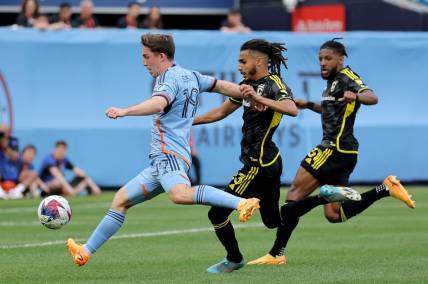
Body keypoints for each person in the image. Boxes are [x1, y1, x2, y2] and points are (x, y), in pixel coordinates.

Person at [66, 33, 261, 267]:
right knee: (120, 200)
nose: (144, 62)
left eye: (146, 56)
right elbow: (221, 86)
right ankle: (85, 251)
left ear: (161, 56)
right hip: (161, 163)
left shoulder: (167, 79)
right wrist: (246, 92)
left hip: (169, 156)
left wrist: (124, 111)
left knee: (180, 194)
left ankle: (241, 203)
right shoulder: (190, 76)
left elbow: (159, 103)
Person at [247, 38, 416, 266]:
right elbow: (329, 110)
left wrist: (356, 95)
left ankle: (277, 253)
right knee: (334, 215)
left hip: (332, 148)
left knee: (293, 197)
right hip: (346, 152)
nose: (322, 63)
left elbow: (372, 97)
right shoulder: (333, 82)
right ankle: (385, 189)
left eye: (327, 59)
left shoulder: (347, 77)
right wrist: (307, 104)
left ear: (340, 59)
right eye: (320, 59)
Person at [192, 38, 299, 273]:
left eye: (243, 61)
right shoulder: (246, 84)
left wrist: (258, 98)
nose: (239, 66)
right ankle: (315, 200)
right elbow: (221, 111)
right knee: (272, 222)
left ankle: (234, 258)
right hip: (268, 162)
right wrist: (188, 122)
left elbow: (292, 109)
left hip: (258, 164)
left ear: (259, 61)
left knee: (217, 212)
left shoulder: (273, 84)